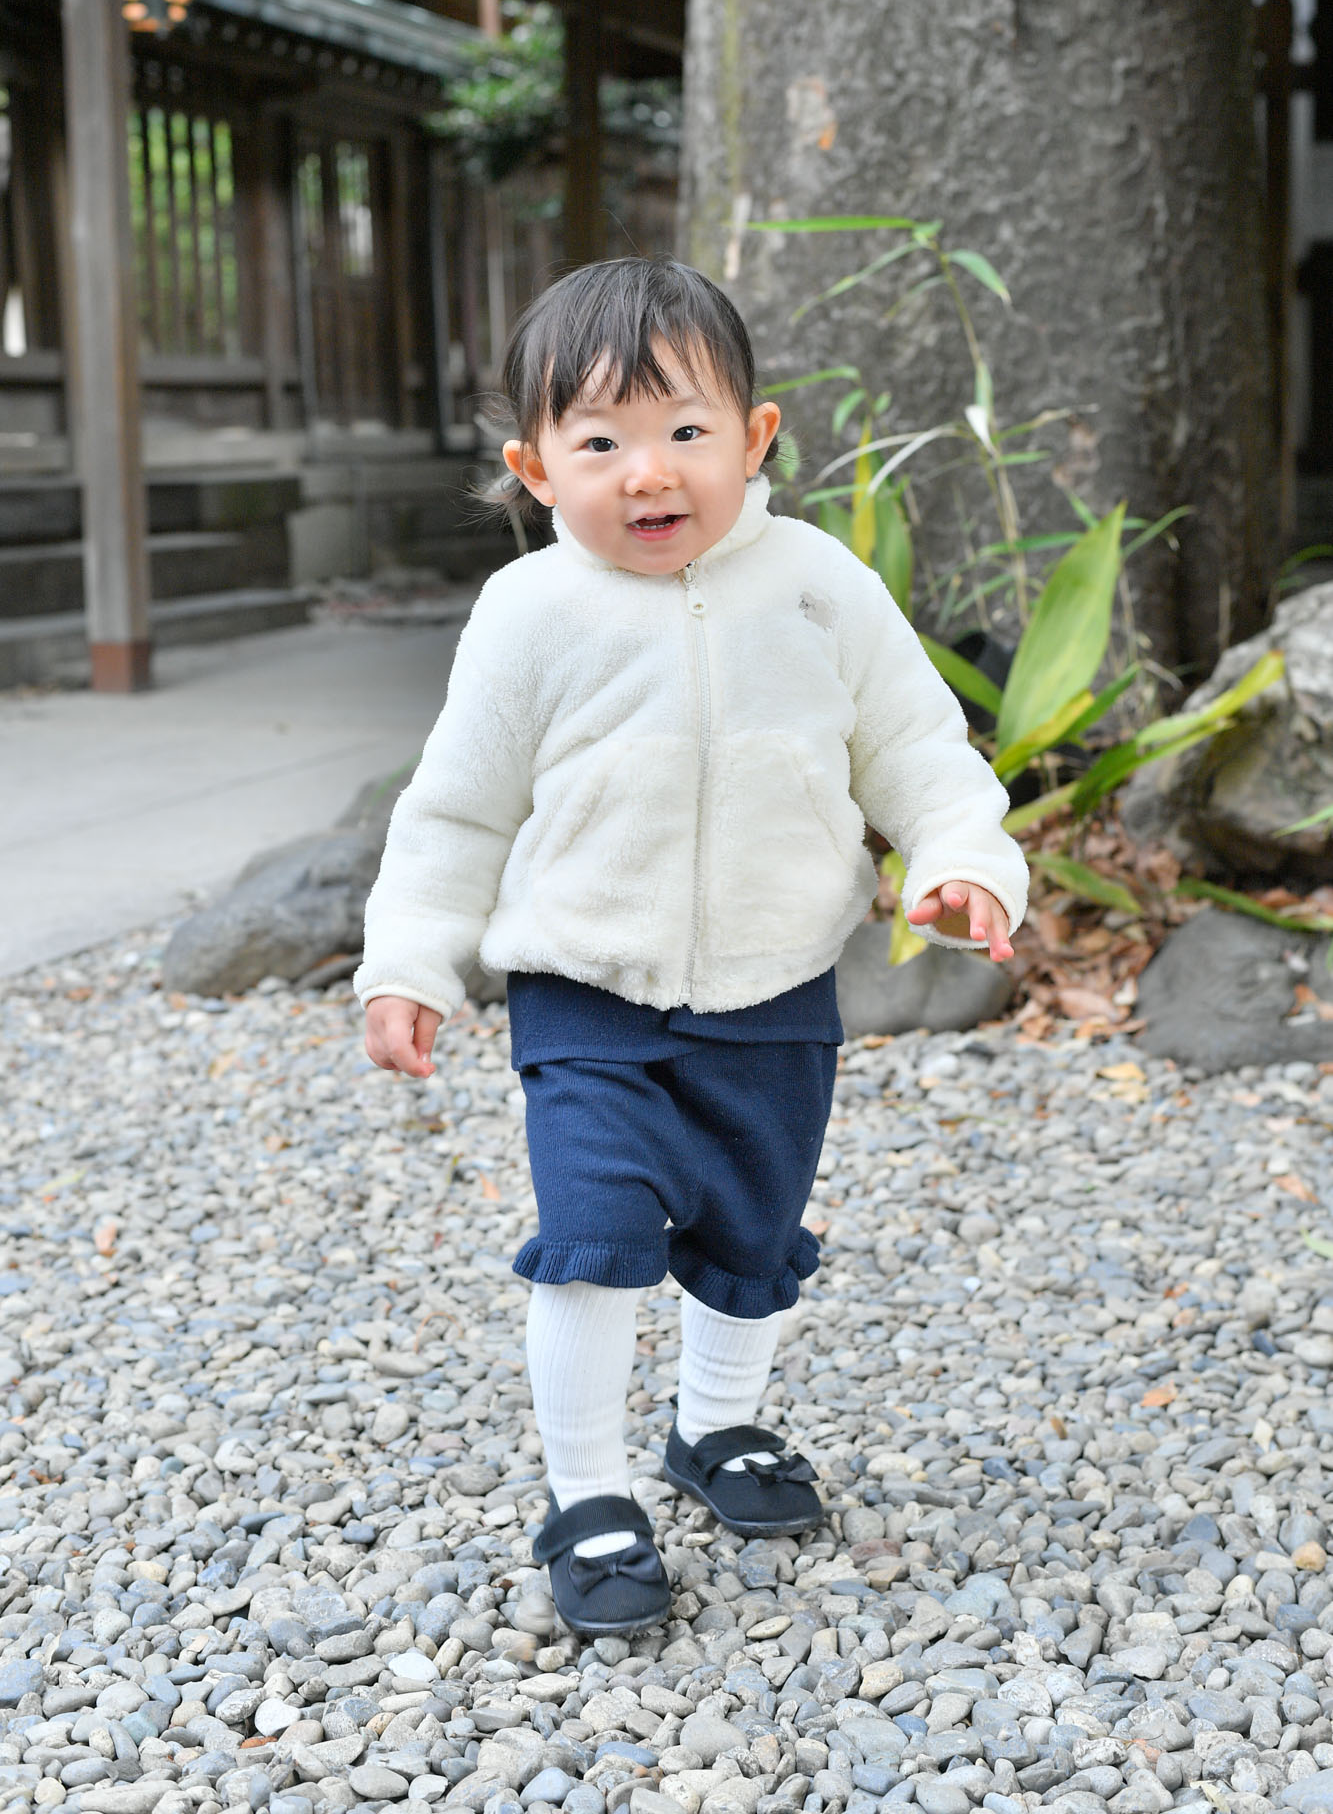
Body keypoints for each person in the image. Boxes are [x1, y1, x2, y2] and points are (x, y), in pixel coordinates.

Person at [356, 256, 1028, 1637]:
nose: (646, 473)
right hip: (585, 986)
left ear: (754, 438)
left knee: (750, 1227)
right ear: (534, 468)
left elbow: (913, 750)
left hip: (775, 981)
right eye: (599, 443)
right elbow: (457, 809)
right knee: (595, 1235)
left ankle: (715, 1428)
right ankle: (588, 1492)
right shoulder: (530, 615)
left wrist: (960, 861)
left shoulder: (817, 586)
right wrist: (410, 960)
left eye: (683, 432)